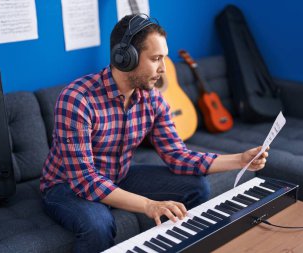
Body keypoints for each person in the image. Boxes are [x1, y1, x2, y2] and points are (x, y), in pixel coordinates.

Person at [40, 14, 269, 253]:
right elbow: (85, 181)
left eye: (164, 58)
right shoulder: (77, 99)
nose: (162, 69)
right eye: (156, 59)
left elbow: (178, 156)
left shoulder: (152, 99)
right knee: (98, 224)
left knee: (197, 187)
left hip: (118, 174)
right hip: (67, 185)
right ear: (126, 57)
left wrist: (240, 160)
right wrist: (149, 205)